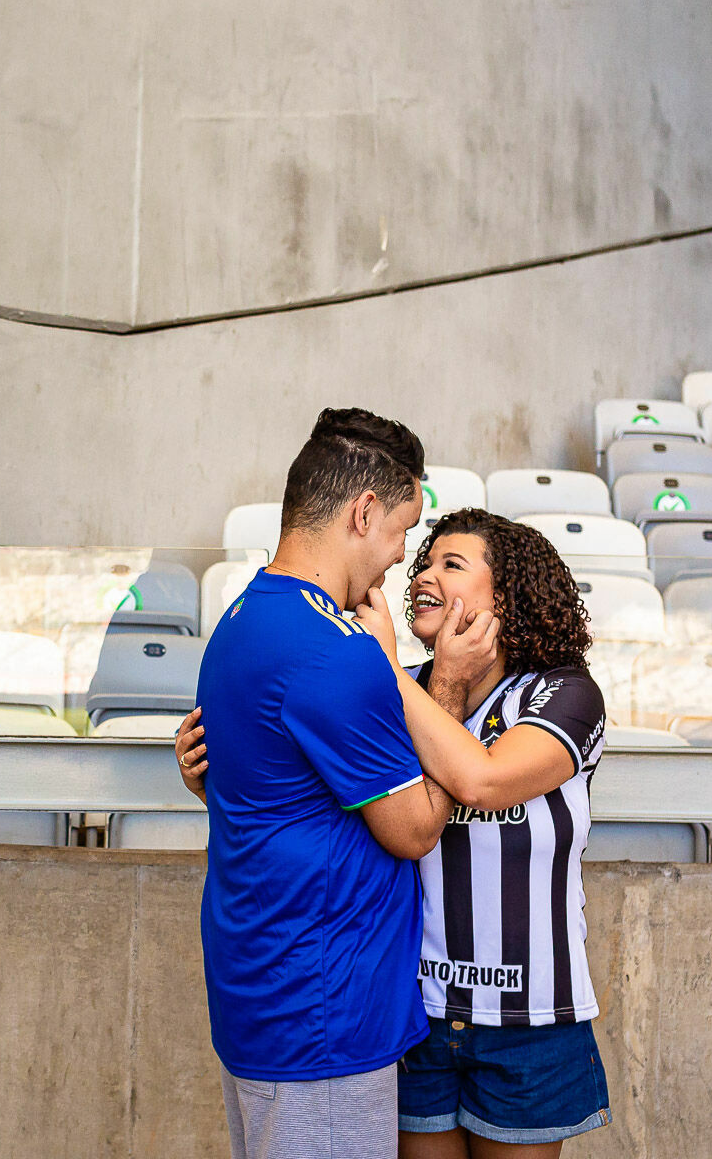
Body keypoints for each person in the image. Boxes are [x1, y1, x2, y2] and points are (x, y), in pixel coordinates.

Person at [180, 507, 611, 1157]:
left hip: (529, 1023)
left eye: (452, 564)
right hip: (416, 1014)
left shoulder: (564, 694)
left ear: (509, 592)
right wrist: (217, 773)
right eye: (425, 561)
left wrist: (384, 662)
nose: (422, 575)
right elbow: (319, 797)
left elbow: (483, 781)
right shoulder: (407, 686)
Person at [191, 408, 454, 1159]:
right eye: (403, 529)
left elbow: (253, 789)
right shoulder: (335, 652)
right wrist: (455, 693)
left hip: (262, 997)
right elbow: (414, 830)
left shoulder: (240, 620)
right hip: (323, 1016)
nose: (402, 558)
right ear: (363, 511)